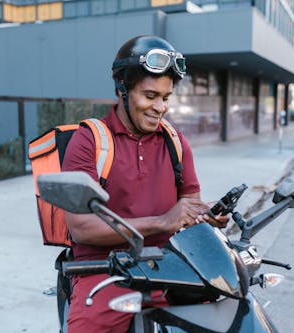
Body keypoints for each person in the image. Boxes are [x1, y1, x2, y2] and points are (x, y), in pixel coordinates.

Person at [61, 35, 229, 333]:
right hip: (106, 269)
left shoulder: (175, 142)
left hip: (170, 266)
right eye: (150, 96)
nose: (160, 107)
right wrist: (162, 221)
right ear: (122, 89)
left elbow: (188, 209)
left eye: (166, 97)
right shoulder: (90, 141)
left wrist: (206, 217)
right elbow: (81, 227)